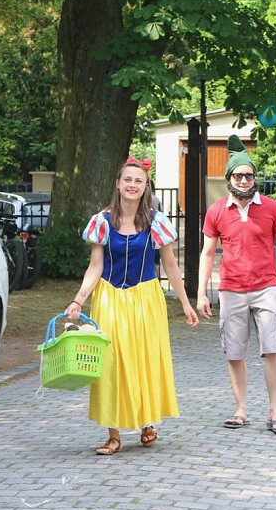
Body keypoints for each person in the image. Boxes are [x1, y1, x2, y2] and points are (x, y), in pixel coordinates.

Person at [64, 156, 199, 455]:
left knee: (145, 359)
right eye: (128, 179)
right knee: (110, 362)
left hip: (145, 297)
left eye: (138, 180)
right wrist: (78, 300)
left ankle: (147, 421)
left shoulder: (156, 222)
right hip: (110, 297)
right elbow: (95, 266)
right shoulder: (102, 221)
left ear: (145, 185)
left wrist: (186, 304)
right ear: (118, 183)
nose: (132, 185)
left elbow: (171, 266)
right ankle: (113, 434)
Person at [196, 135, 276, 436]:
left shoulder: (271, 208)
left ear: (255, 178)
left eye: (249, 175)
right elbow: (206, 253)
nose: (244, 180)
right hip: (230, 289)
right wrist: (202, 292)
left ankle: (275, 410)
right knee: (234, 352)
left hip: (267, 287)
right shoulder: (216, 211)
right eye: (238, 175)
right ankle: (241, 408)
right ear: (229, 178)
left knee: (273, 348)